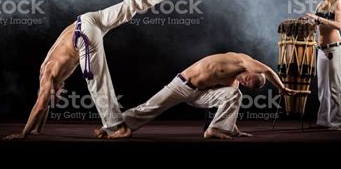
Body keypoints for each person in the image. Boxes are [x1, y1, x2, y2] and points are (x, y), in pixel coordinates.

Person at [4, 0, 187, 140]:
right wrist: (37, 129)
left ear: (46, 90)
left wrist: (24, 133)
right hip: (87, 19)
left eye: (55, 95)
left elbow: (40, 105)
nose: (60, 94)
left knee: (97, 82)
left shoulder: (47, 78)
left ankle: (119, 127)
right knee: (126, 7)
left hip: (83, 36)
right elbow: (44, 106)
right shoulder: (47, 71)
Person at [95, 52, 297, 139]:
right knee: (148, 107)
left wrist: (233, 129)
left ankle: (216, 130)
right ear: (253, 70)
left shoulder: (236, 81)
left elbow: (229, 103)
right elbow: (269, 70)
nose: (243, 81)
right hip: (182, 85)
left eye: (247, 85)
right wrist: (282, 88)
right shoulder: (243, 61)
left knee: (234, 95)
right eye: (246, 79)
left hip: (202, 95)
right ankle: (112, 128)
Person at [305, 0, 341, 131]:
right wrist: (309, 21)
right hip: (321, 49)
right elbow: (318, 25)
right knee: (322, 87)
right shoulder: (321, 5)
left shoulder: (338, 4)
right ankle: (324, 120)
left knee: (336, 86)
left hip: (334, 48)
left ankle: (338, 122)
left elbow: (339, 25)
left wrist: (318, 19)